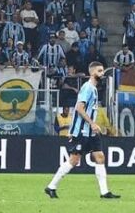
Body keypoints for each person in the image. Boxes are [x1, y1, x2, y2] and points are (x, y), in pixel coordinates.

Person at [45, 62, 120, 199]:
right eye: (100, 71)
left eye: (102, 71)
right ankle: (51, 187)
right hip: (81, 131)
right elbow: (79, 108)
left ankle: (105, 192)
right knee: (74, 160)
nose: (102, 73)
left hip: (91, 132)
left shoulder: (94, 89)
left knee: (100, 157)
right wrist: (92, 123)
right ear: (92, 72)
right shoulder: (87, 88)